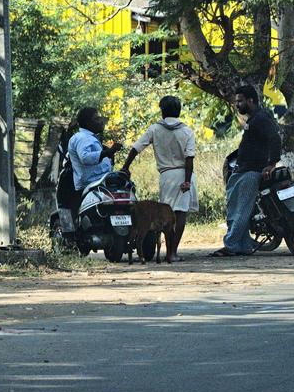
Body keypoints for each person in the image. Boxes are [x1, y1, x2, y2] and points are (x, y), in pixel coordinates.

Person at [121, 95, 197, 260]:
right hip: (184, 172)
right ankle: (173, 252)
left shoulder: (155, 129)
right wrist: (187, 180)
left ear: (162, 111)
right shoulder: (186, 131)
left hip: (166, 176)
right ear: (179, 111)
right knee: (180, 214)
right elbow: (189, 158)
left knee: (164, 215)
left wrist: (125, 166)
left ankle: (165, 252)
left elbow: (136, 148)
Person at [213, 84, 281, 258]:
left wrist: (272, 163)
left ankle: (231, 245)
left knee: (241, 209)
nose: (237, 104)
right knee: (235, 208)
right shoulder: (254, 119)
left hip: (251, 171)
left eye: (240, 101)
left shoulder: (261, 118)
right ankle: (242, 246)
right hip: (243, 169)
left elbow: (274, 138)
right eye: (236, 101)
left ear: (251, 100)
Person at [67, 106, 122, 192]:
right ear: (88, 123)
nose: (101, 121)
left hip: (99, 183)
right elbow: (85, 158)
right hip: (92, 185)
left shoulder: (87, 137)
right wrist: (109, 152)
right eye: (97, 118)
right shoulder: (83, 137)